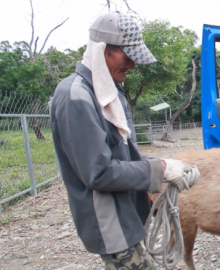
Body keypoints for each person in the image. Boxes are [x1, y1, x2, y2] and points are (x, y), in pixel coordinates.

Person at [50, 11, 199, 269]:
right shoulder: (77, 97)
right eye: (128, 56)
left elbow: (122, 157)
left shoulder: (106, 90)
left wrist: (161, 163)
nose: (132, 65)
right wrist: (160, 169)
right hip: (109, 221)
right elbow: (99, 173)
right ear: (102, 50)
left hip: (124, 214)